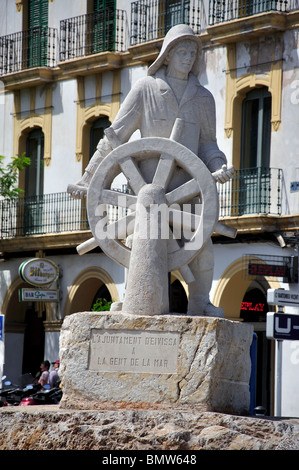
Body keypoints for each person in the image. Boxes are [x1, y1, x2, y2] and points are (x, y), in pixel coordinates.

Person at [68, 24, 234, 317]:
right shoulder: (146, 89)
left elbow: (208, 144)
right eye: (182, 51)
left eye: (193, 52)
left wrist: (218, 166)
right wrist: (88, 177)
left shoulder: (203, 97)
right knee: (135, 245)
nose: (188, 57)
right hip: (146, 185)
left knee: (202, 247)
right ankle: (132, 297)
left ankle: (199, 301)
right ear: (167, 55)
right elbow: (115, 137)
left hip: (188, 186)